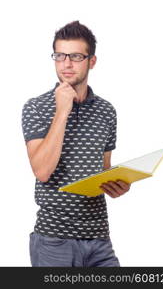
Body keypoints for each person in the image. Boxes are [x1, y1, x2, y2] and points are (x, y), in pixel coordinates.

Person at [21, 20, 131, 267]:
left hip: (99, 238)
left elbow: (102, 170)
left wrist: (117, 184)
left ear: (92, 61)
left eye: (76, 56)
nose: (67, 63)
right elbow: (42, 170)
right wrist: (62, 112)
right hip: (53, 240)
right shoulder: (36, 107)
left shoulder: (106, 111)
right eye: (60, 55)